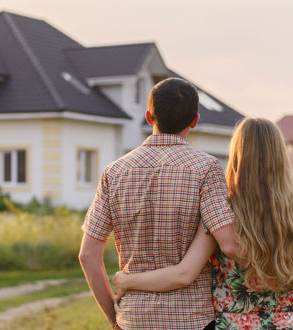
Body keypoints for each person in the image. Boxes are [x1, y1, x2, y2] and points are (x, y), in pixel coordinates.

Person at [113, 118, 293, 330]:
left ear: (236, 157)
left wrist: (127, 281)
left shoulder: (220, 212)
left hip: (232, 324)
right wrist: (278, 297)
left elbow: (183, 274)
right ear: (280, 157)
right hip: (286, 323)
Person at [79, 78, 241, 330]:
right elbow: (228, 243)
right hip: (192, 320)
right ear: (195, 120)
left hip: (133, 319)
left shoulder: (114, 173)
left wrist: (114, 317)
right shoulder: (206, 169)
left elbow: (88, 254)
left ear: (148, 117)